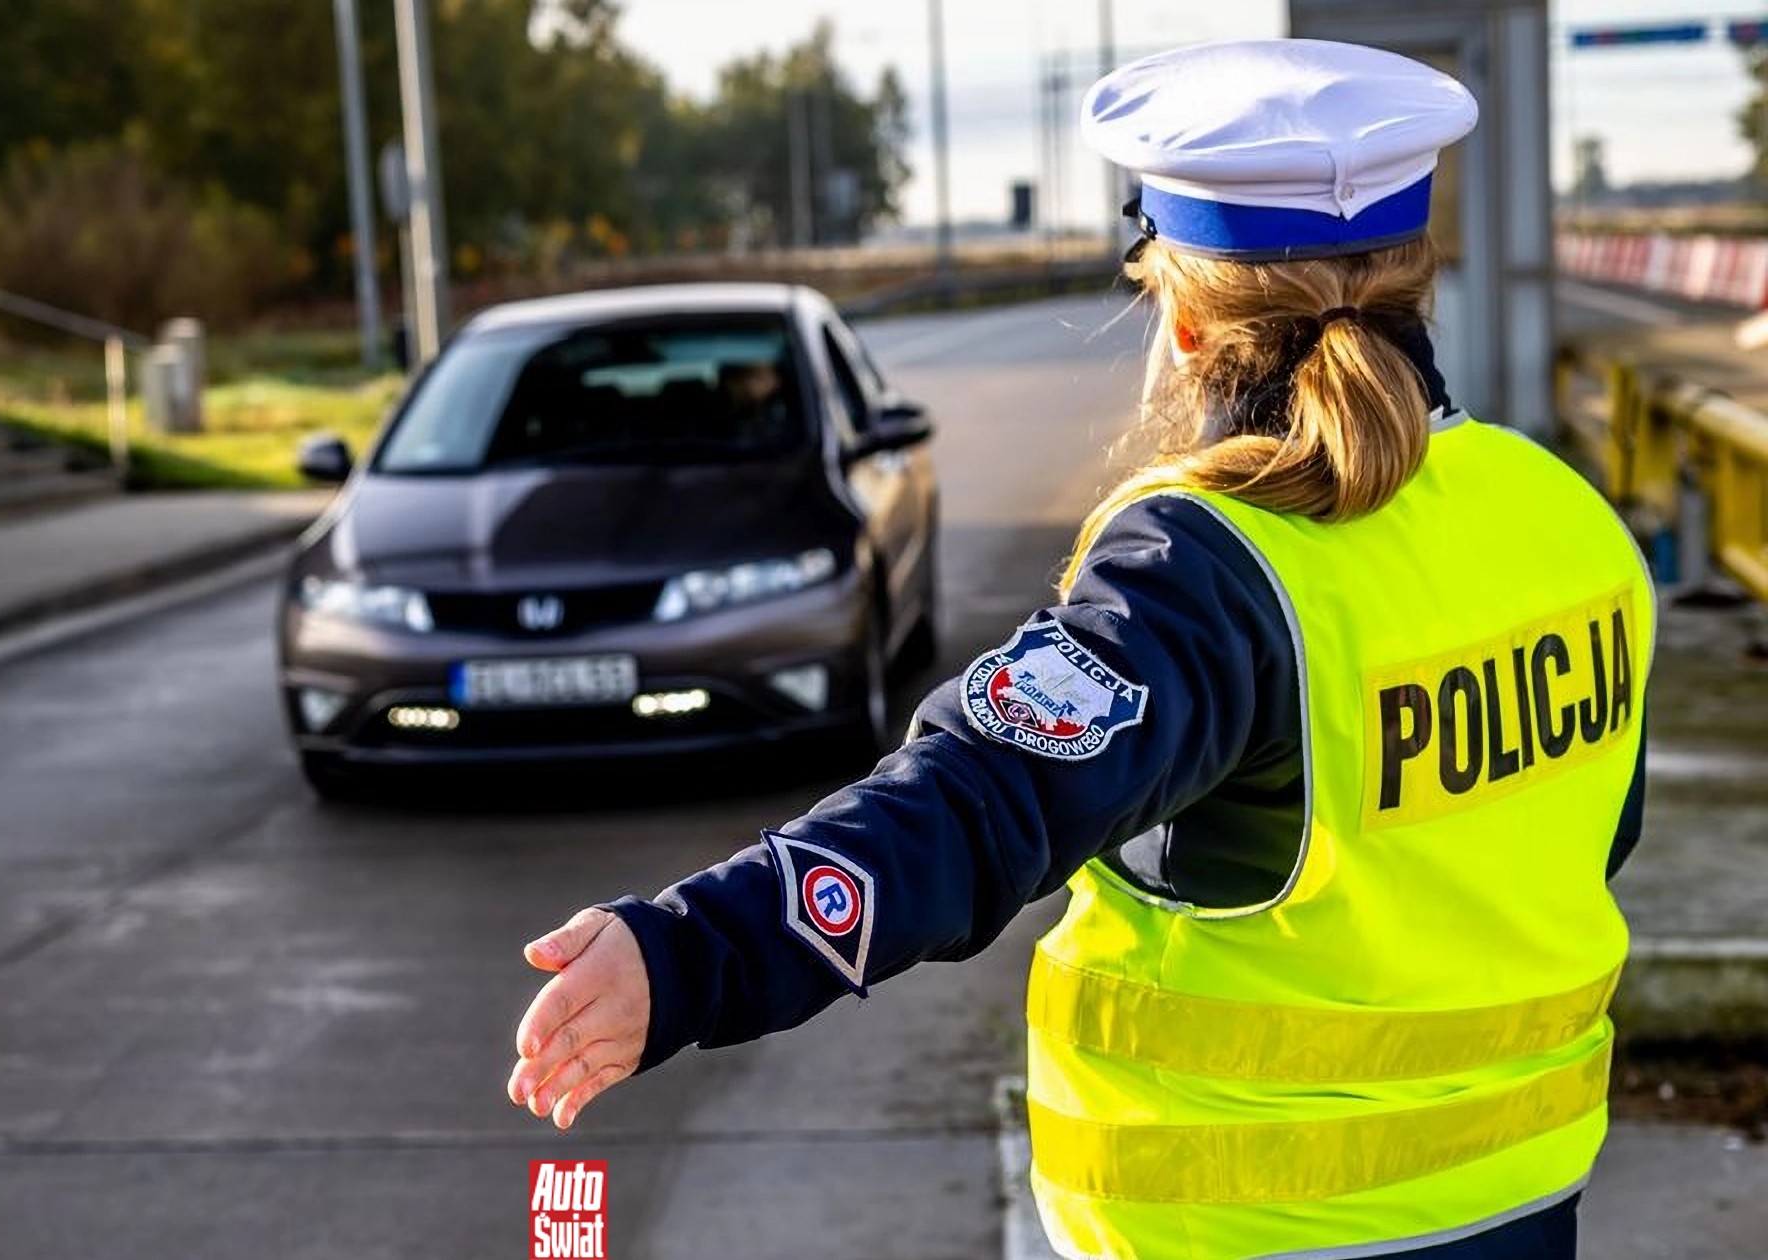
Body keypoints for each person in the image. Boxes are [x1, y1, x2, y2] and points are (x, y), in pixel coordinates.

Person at [503, 39, 1652, 1260]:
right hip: (1521, 1203)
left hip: (1245, 1232)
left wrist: (688, 955)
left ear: (1188, 320)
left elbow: (973, 805)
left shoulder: (1213, 566)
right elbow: (1587, 839)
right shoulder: (1566, 518)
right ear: (1420, 277)